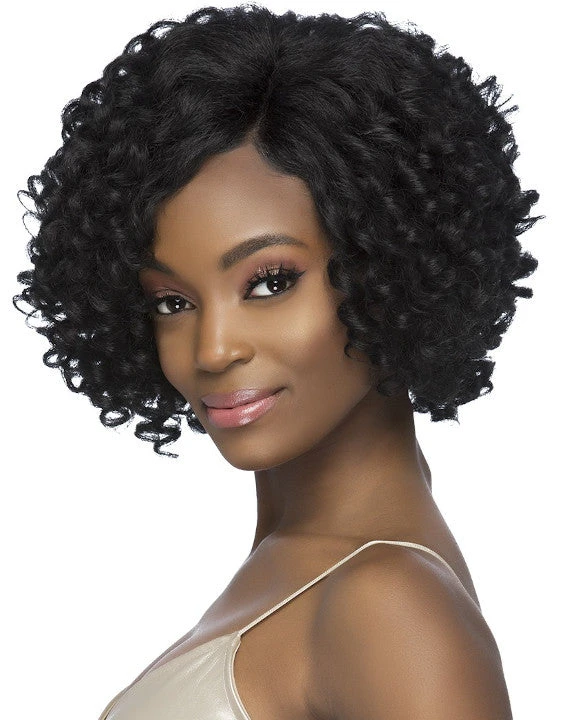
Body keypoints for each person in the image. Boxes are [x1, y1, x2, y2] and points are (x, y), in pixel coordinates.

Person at [13, 4, 542, 719]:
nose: (213, 349)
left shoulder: (386, 606)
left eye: (269, 283)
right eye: (173, 301)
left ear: (390, 267)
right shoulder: (303, 567)